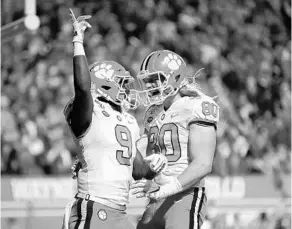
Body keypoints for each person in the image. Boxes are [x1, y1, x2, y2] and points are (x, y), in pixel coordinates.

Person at [62, 10, 166, 229]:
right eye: (121, 83)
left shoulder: (127, 120)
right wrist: (78, 40)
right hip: (93, 206)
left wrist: (154, 165)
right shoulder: (89, 110)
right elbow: (82, 89)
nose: (127, 89)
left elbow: (137, 170)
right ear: (105, 83)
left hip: (120, 211)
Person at [131, 50, 219, 229]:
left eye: (156, 79)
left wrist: (168, 188)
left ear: (175, 77)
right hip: (156, 197)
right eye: (147, 81)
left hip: (185, 195)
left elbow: (203, 164)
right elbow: (141, 152)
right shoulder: (152, 113)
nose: (150, 85)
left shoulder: (197, 105)